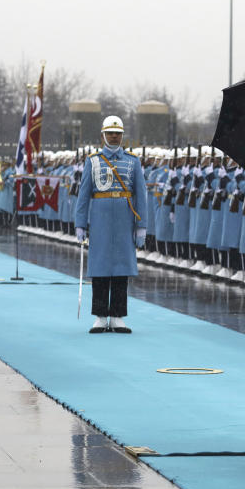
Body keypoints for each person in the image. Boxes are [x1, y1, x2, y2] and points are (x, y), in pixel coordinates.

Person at [74, 116, 148, 334]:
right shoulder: (93, 160)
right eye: (110, 133)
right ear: (103, 135)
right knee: (100, 267)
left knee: (121, 268)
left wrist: (141, 225)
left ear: (122, 135)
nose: (114, 136)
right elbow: (84, 194)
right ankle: (100, 315)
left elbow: (141, 195)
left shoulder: (133, 161)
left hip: (124, 219)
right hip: (100, 219)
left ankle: (117, 316)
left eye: (117, 133)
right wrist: (80, 223)